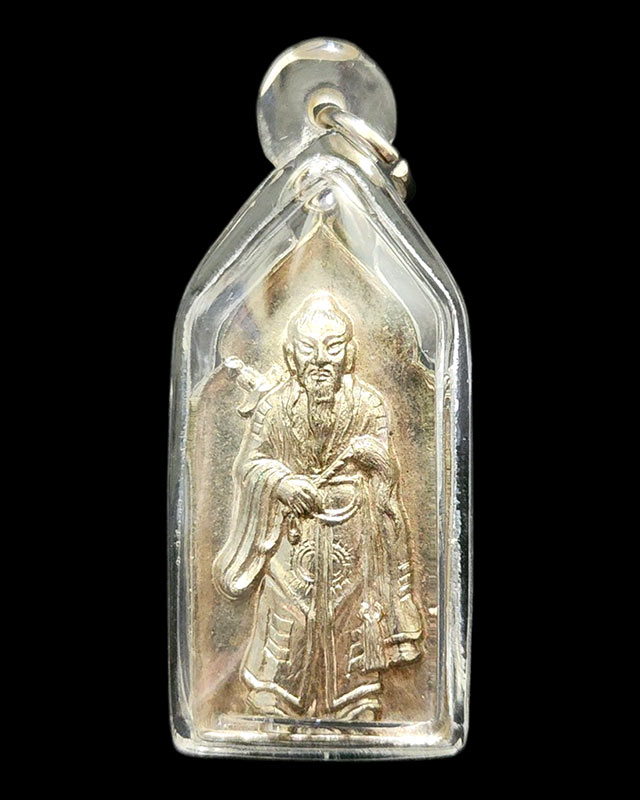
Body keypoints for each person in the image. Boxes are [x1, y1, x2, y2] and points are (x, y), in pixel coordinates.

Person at [213, 292, 422, 721]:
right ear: (292, 354)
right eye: (309, 348)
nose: (321, 360)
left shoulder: (369, 405)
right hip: (292, 553)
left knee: (350, 620)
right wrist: (282, 482)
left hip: (354, 545)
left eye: (333, 347)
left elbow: (386, 471)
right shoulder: (272, 406)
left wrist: (375, 463)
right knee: (288, 618)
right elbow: (249, 466)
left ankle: (354, 702)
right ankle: (275, 698)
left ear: (350, 353)